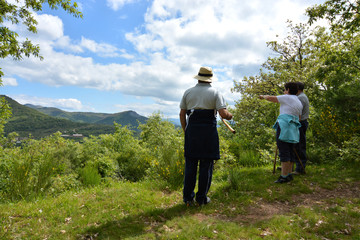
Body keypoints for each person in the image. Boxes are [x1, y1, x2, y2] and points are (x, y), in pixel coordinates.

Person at [180, 66, 233, 206]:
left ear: (198, 77)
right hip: (208, 132)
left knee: (190, 165)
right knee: (206, 165)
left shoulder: (188, 92)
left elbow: (182, 113)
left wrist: (186, 130)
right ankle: (201, 198)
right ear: (210, 79)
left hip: (192, 131)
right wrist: (230, 115)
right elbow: (223, 114)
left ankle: (187, 199)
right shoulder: (215, 93)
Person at [259, 82, 302, 183]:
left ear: (288, 90)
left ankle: (284, 176)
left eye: (285, 89)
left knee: (283, 149)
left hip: (284, 126)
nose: (284, 91)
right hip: (294, 128)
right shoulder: (299, 102)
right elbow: (299, 118)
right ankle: (289, 174)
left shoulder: (287, 97)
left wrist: (263, 96)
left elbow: (271, 98)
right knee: (291, 150)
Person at [294, 82, 310, 174]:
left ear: (298, 89)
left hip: (300, 123)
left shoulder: (300, 98)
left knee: (300, 146)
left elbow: (296, 112)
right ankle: (292, 166)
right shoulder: (301, 96)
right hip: (302, 122)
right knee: (296, 145)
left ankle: (300, 168)